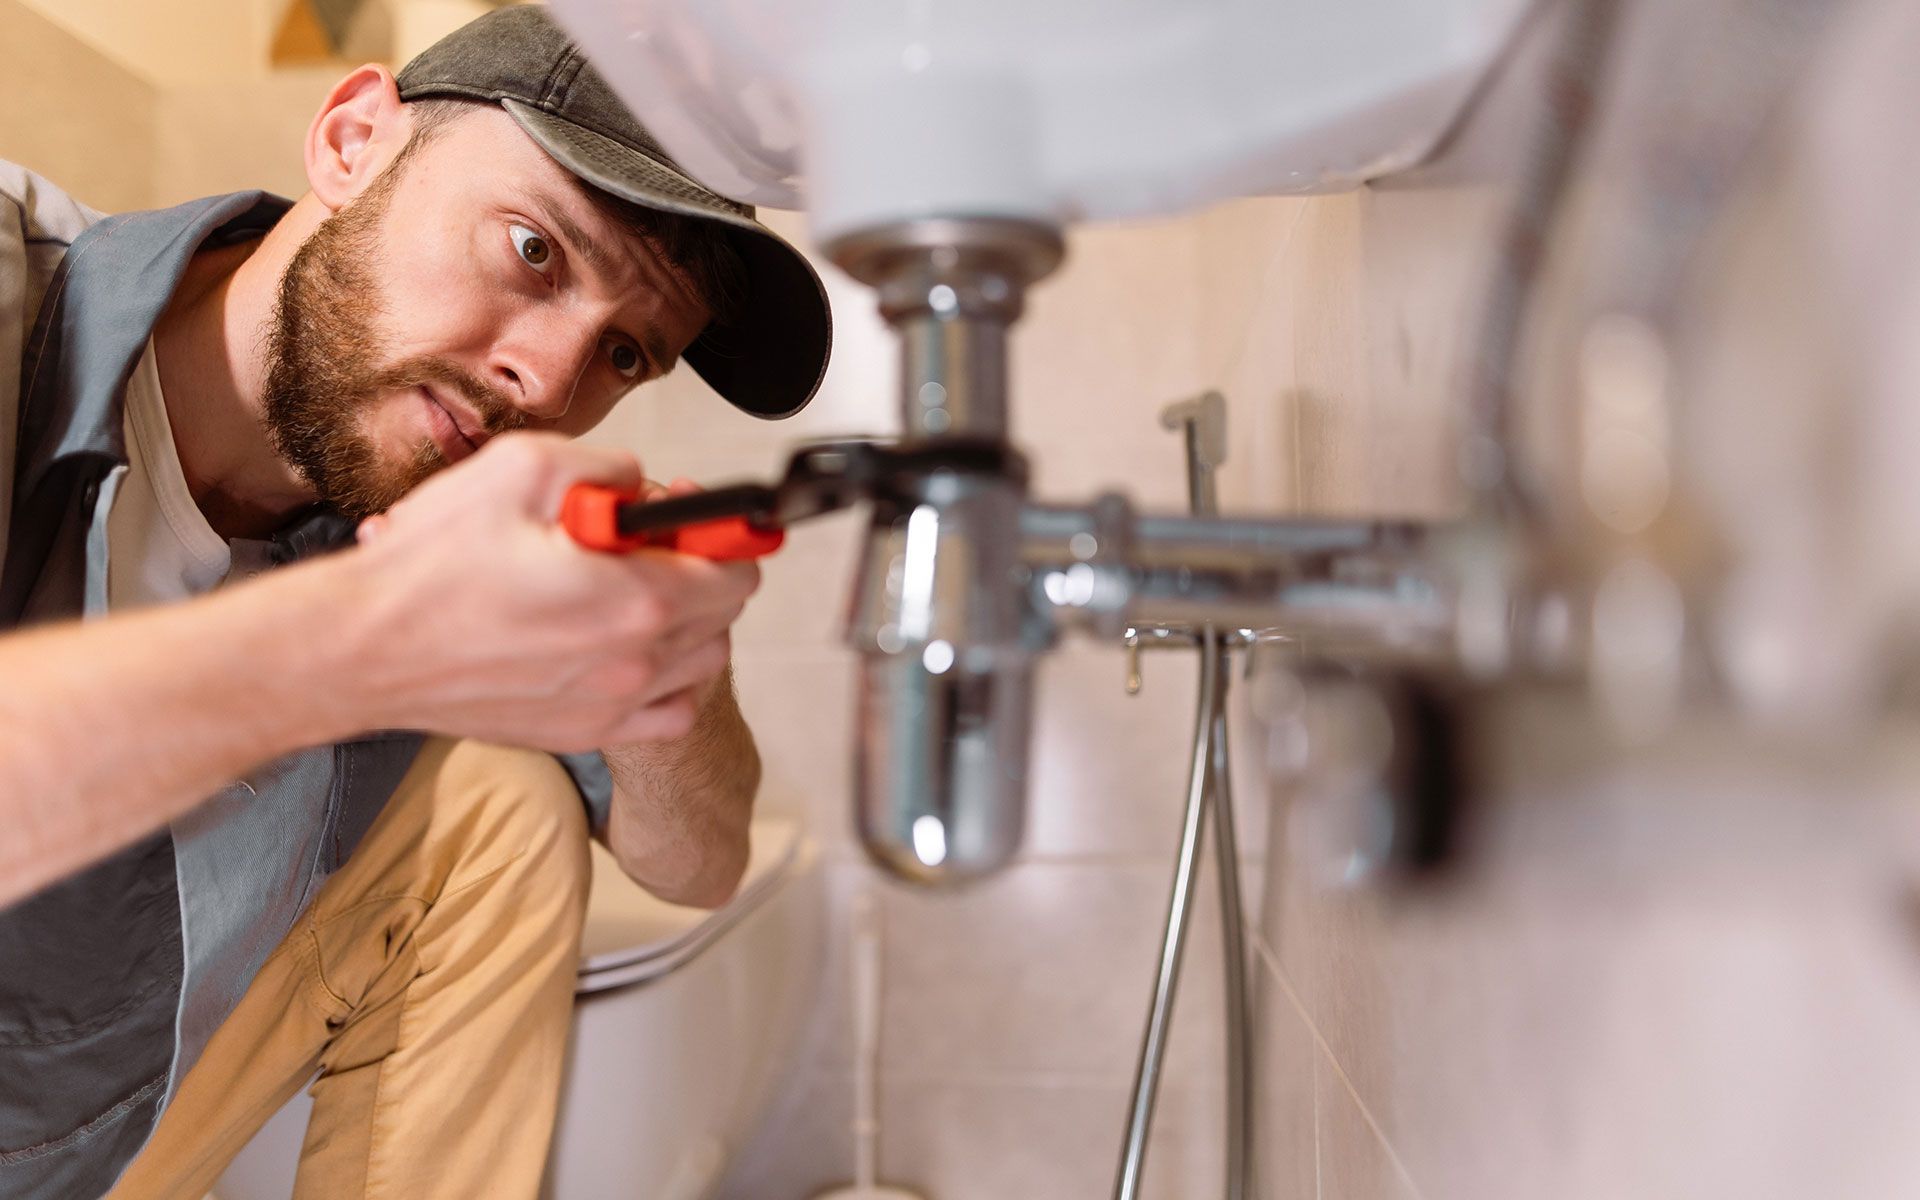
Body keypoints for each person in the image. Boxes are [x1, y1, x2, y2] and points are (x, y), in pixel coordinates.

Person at [0, 6, 831, 1197]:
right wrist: (375, 639)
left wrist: (673, 680)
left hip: (98, 1157)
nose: (547, 381)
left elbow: (697, 862)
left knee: (501, 808)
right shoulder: (14, 297)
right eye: (536, 251)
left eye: (627, 354)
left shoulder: (437, 497)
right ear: (352, 139)